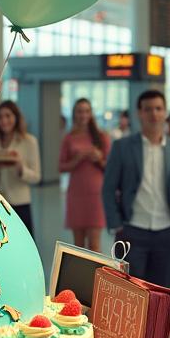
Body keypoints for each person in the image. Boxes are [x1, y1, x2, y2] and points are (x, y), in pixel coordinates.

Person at [102, 89, 170, 338]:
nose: (154, 114)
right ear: (139, 113)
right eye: (148, 109)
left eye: (158, 108)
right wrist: (117, 224)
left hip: (167, 232)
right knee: (133, 301)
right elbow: (108, 188)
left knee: (160, 301)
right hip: (132, 233)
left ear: (165, 112)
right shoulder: (123, 147)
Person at [0, 100, 41, 233]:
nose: (4, 121)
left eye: (8, 116)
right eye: (0, 117)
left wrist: (20, 166)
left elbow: (36, 177)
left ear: (16, 117)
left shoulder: (29, 141)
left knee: (23, 244)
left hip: (20, 203)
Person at [59, 98, 110, 251]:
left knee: (94, 246)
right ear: (74, 114)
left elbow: (111, 168)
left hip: (96, 195)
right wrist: (77, 159)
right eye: (80, 111)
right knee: (79, 247)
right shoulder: (69, 138)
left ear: (91, 114)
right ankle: (81, 275)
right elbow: (61, 167)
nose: (83, 115)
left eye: (87, 111)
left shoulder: (101, 137)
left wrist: (99, 159)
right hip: (76, 194)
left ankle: (96, 276)